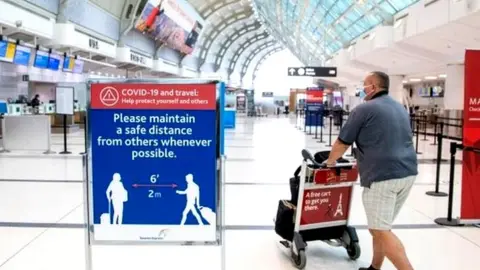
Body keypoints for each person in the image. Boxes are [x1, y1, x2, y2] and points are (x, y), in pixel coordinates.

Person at [325, 71, 418, 270]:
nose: (362, 88)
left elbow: (342, 143)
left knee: (380, 229)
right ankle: (375, 268)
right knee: (381, 228)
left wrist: (330, 163)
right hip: (408, 173)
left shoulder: (364, 109)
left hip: (383, 176)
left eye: (364, 84)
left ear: (373, 87)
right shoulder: (399, 107)